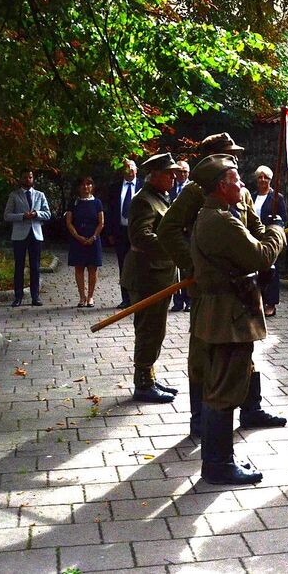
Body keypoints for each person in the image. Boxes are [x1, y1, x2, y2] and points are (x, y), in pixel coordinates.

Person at [157, 132, 287, 438]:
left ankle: (251, 408)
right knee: (204, 354)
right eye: (230, 153)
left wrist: (263, 254)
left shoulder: (238, 191)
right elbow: (168, 230)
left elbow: (253, 226)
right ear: (213, 159)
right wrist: (194, 265)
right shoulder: (196, 193)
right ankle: (202, 418)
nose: (236, 159)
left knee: (242, 350)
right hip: (210, 290)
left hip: (241, 288)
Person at [189, 154, 287, 485]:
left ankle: (218, 460)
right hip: (229, 317)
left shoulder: (212, 216)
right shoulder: (220, 220)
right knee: (224, 390)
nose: (242, 185)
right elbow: (259, 255)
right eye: (236, 181)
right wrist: (278, 231)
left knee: (220, 386)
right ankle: (218, 464)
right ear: (221, 186)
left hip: (220, 314)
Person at [119, 153, 182, 403]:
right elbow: (140, 236)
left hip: (160, 274)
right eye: (169, 173)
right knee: (148, 330)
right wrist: (175, 245)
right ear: (154, 175)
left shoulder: (160, 197)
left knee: (157, 330)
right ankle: (143, 384)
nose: (174, 177)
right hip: (148, 276)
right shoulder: (144, 200)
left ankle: (149, 376)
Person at [4, 169, 51, 307]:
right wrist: (22, 216)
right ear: (21, 179)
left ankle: (35, 296)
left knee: (35, 266)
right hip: (19, 234)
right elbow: (7, 215)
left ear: (33, 178)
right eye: (25, 177)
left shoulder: (40, 195)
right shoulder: (14, 195)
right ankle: (18, 296)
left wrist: (36, 214)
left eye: (30, 177)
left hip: (35, 233)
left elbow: (48, 214)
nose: (28, 179)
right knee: (19, 265)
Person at [104, 159, 143, 309]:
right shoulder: (114, 188)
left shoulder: (143, 186)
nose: (130, 170)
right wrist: (109, 232)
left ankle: (138, 298)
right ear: (123, 171)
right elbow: (110, 210)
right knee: (123, 266)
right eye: (127, 168)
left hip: (137, 232)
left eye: (132, 168)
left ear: (137, 170)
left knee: (139, 265)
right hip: (120, 231)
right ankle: (125, 298)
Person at [252, 165, 287, 317]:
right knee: (255, 270)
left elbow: (284, 218)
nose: (263, 180)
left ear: (270, 180)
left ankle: (271, 303)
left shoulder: (277, 198)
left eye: (265, 177)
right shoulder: (251, 196)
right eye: (260, 177)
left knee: (271, 269)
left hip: (270, 237)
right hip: (253, 237)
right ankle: (257, 300)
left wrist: (276, 224)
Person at [66, 176, 104, 308]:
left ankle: (91, 296)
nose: (86, 187)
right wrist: (78, 236)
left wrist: (93, 237)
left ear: (92, 186)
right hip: (78, 240)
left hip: (93, 239)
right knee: (79, 268)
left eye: (89, 184)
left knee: (93, 268)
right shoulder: (74, 203)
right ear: (78, 187)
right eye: (83, 184)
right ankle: (82, 296)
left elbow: (101, 222)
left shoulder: (97, 202)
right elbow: (69, 222)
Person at [169, 160, 191, 312]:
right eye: (180, 171)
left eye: (185, 172)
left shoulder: (193, 189)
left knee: (188, 267)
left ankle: (189, 300)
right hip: (174, 234)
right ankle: (177, 301)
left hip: (188, 234)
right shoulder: (170, 189)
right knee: (175, 269)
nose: (182, 174)